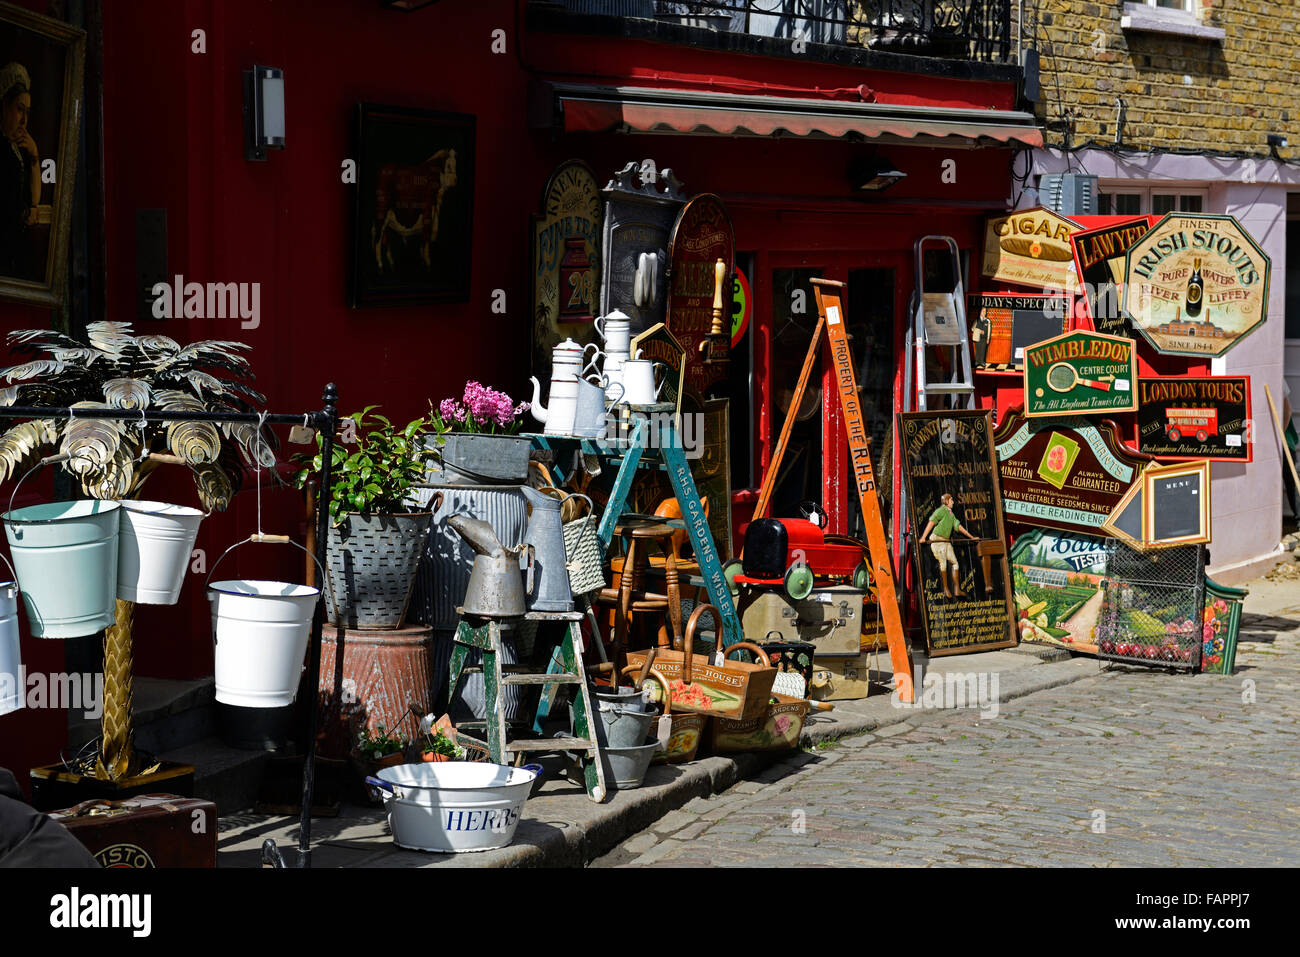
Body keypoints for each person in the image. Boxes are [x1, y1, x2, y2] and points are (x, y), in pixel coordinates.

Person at [1, 61, 41, 278]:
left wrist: (34, 157)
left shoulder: (19, 150)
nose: (24, 120)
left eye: (27, 112)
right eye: (19, 110)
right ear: (4, 107)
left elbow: (33, 201)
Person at [918, 492, 978, 599]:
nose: (953, 502)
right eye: (951, 500)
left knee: (955, 563)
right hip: (937, 540)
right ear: (946, 501)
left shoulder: (951, 514)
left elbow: (959, 527)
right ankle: (946, 588)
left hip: (946, 542)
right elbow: (931, 522)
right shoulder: (941, 511)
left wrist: (971, 537)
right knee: (943, 564)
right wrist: (923, 537)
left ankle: (957, 589)